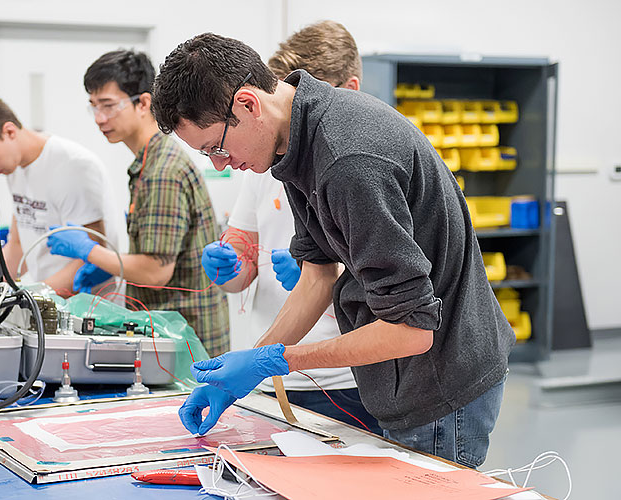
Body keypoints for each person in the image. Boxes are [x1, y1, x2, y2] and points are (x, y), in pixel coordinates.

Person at [151, 33, 515, 468]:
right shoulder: (292, 142)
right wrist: (245, 373)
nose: (220, 164)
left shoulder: (348, 160)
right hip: (404, 375)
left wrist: (276, 360)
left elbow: (412, 330)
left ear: (247, 104)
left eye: (216, 146)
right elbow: (318, 275)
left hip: (440, 385)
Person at [201, 21, 379, 432]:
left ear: (347, 90)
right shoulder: (266, 161)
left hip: (343, 376)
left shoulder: (354, 161)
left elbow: (404, 298)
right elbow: (245, 257)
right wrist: (231, 268)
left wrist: (331, 279)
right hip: (274, 372)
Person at [46, 50, 230, 357]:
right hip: (172, 333)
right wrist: (111, 267)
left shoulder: (162, 171)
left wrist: (89, 250)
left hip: (186, 340)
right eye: (93, 107)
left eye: (108, 106)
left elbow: (155, 273)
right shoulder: (147, 164)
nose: (99, 118)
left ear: (143, 103)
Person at [0, 91, 118, 296]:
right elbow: (17, 246)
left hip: (87, 308)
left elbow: (92, 257)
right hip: (47, 301)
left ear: (9, 131)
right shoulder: (16, 168)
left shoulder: (73, 166)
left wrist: (31, 296)